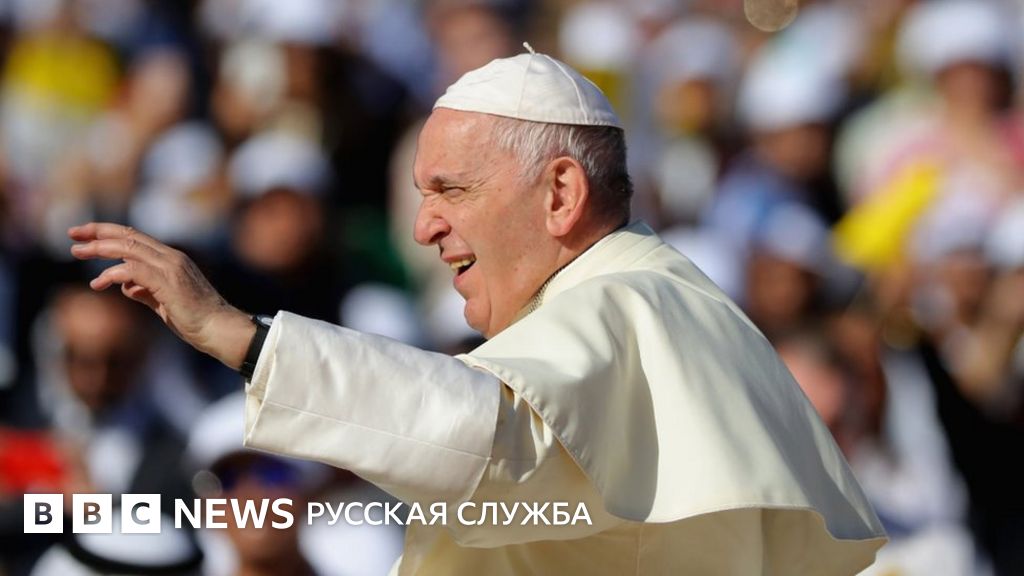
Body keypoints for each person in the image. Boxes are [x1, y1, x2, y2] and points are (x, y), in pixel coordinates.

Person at [68, 48, 886, 574]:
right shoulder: (658, 298)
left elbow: (482, 429)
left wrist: (239, 337)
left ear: (560, 193)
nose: (423, 228)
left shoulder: (628, 301)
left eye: (451, 190)